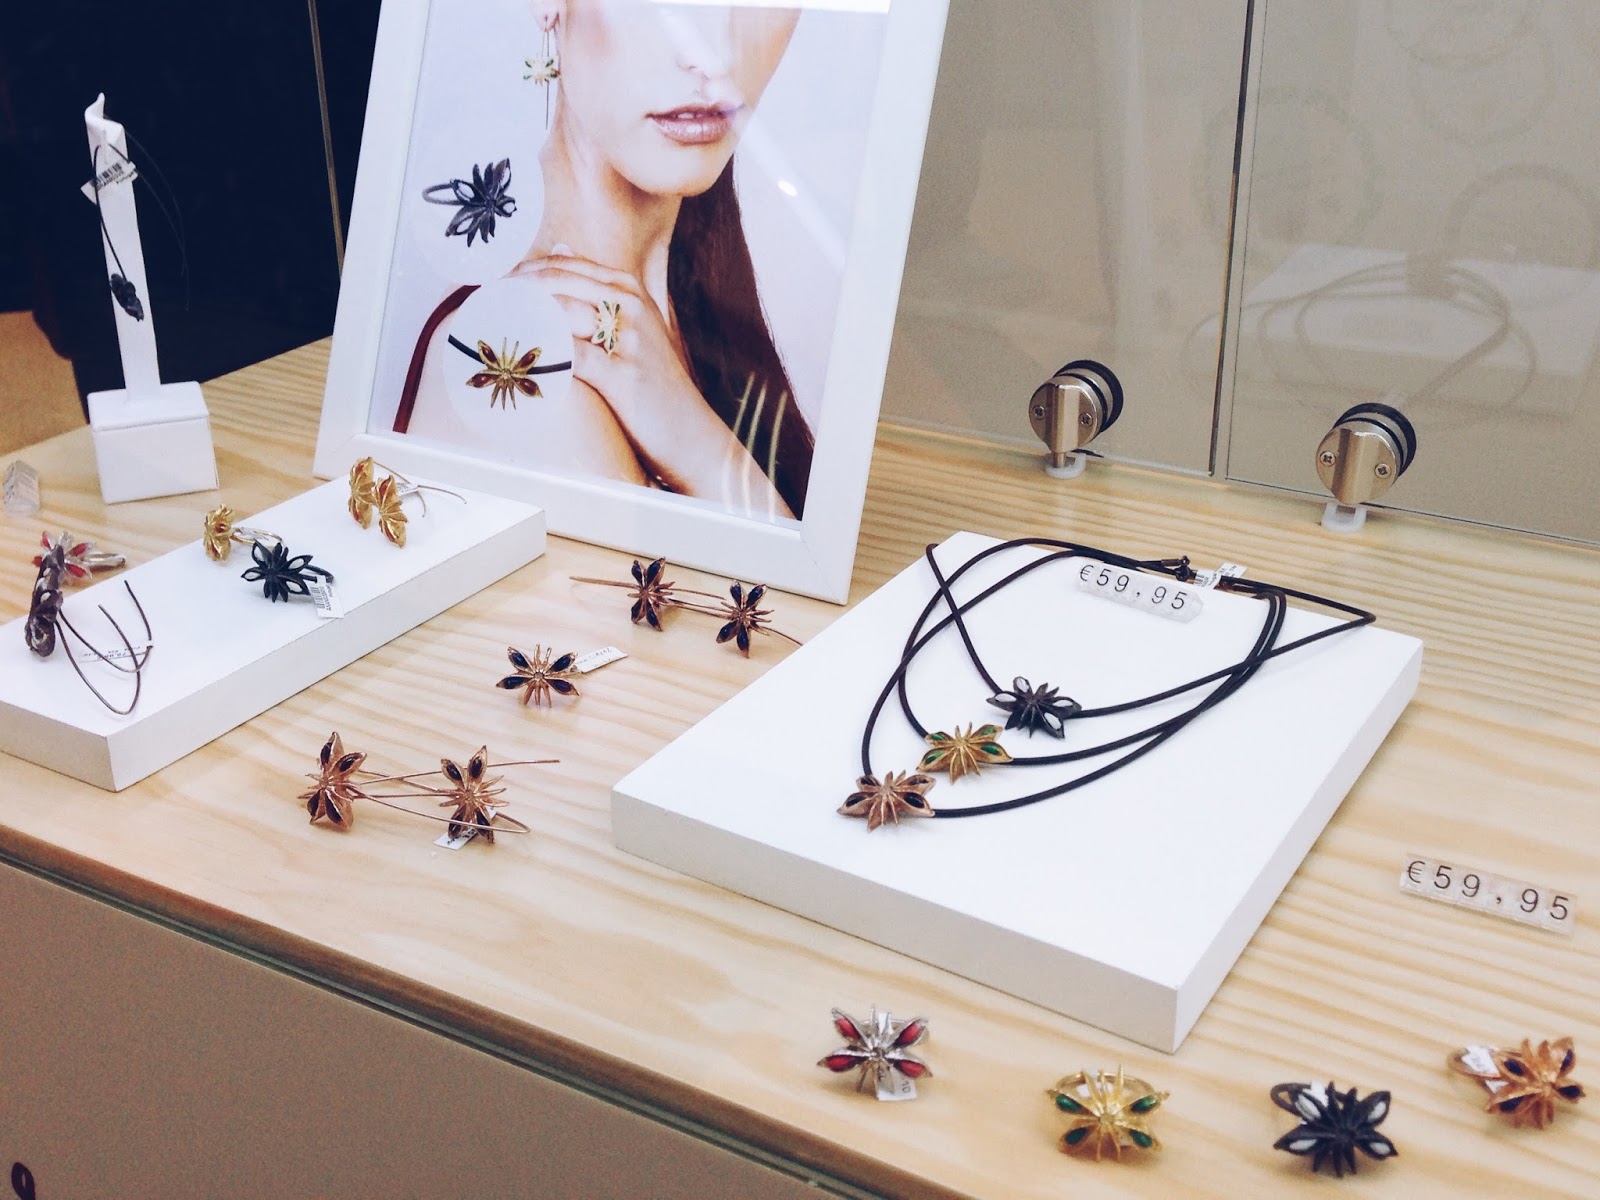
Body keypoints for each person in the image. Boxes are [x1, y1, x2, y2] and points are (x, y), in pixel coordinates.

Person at [397, 0, 813, 519]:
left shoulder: (694, 286)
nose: (719, 55)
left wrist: (695, 438)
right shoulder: (531, 377)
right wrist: (700, 452)